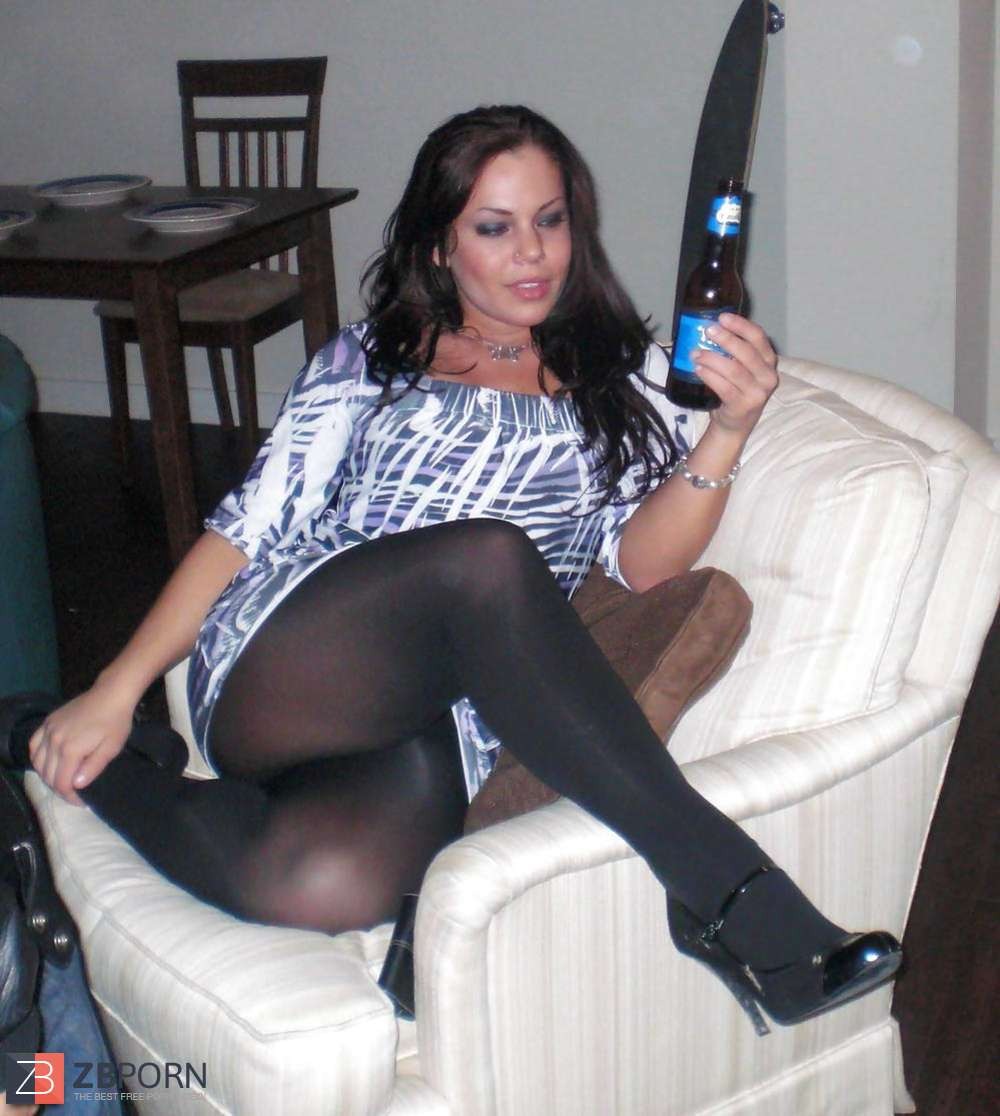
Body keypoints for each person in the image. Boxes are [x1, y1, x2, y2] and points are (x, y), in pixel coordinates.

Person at [5, 105, 900, 1034]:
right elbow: (245, 531)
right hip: (293, 659)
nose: (533, 253)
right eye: (494, 228)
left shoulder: (630, 373)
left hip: (450, 714)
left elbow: (638, 566)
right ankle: (731, 892)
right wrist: (119, 687)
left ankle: (60, 746)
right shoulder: (372, 358)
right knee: (485, 557)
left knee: (320, 883)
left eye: (550, 220)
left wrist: (728, 429)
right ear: (440, 246)